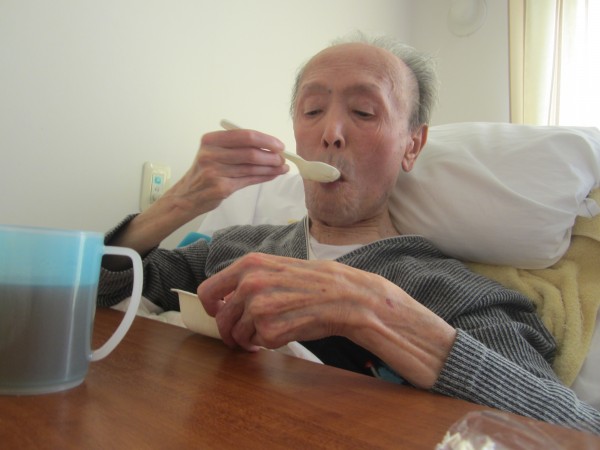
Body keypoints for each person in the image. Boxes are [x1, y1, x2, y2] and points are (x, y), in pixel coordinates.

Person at [98, 33, 600, 434]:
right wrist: (178, 204)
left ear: (412, 145)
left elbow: (574, 430)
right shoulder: (240, 248)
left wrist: (373, 309)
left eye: (363, 112)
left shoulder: (453, 292)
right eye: (312, 111)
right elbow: (94, 292)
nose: (331, 133)